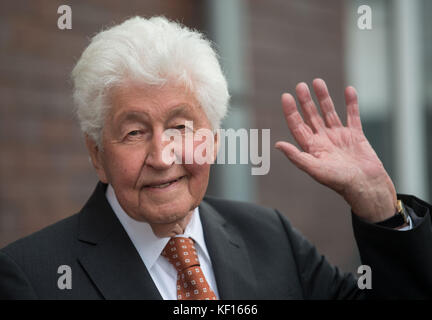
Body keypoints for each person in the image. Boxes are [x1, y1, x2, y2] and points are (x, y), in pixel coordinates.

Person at [0, 16, 431, 300]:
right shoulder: (31, 277)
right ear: (97, 154)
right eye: (134, 132)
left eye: (180, 128)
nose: (162, 155)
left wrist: (380, 209)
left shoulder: (271, 238)